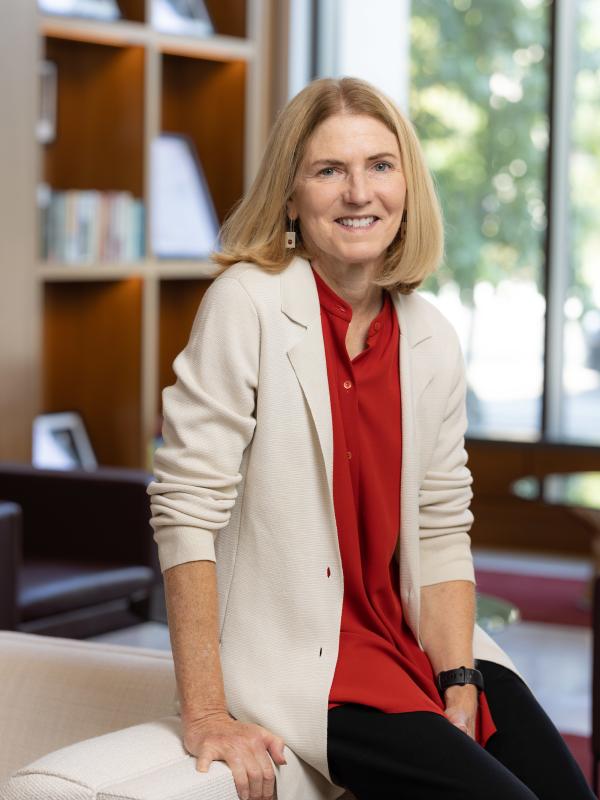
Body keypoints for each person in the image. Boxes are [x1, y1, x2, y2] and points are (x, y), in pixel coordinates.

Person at [147, 77, 595, 800]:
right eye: (330, 171)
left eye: (380, 166)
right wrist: (205, 711)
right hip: (312, 666)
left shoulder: (431, 340)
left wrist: (459, 678)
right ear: (291, 197)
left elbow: (442, 525)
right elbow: (186, 510)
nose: (360, 193)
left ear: (407, 187)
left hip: (412, 645)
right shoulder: (248, 306)